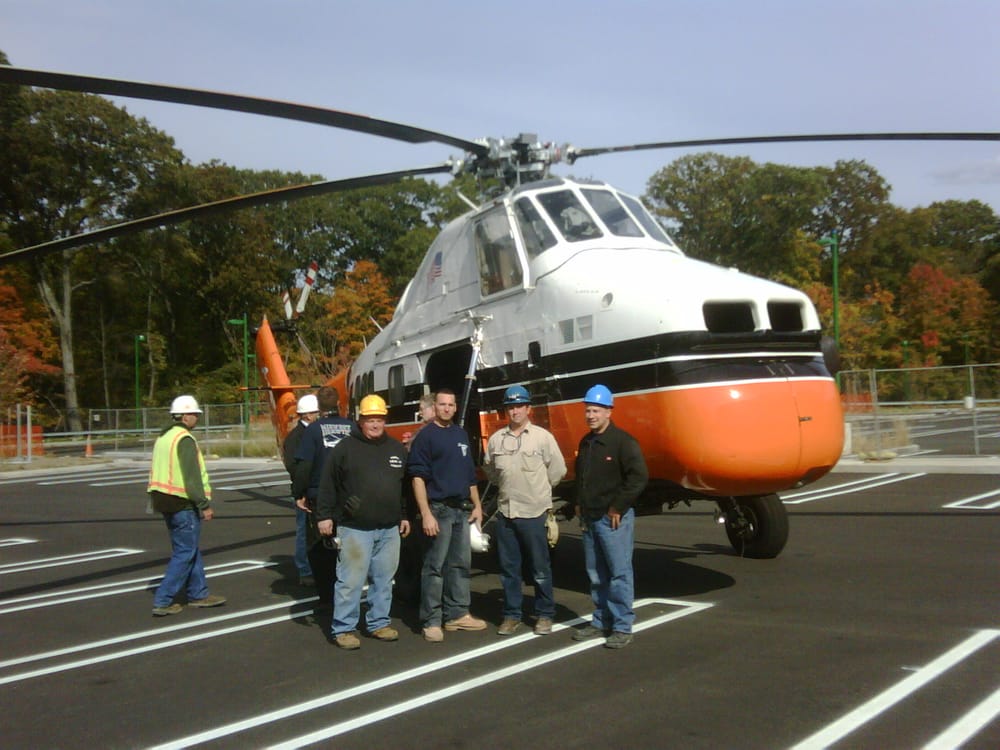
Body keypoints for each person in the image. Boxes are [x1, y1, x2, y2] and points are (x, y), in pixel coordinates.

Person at [316, 394, 411, 649]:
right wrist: (324, 516)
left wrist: (403, 516)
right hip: (355, 528)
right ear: (360, 421)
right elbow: (327, 485)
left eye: (379, 419)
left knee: (384, 580)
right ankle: (344, 628)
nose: (375, 424)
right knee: (351, 581)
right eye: (370, 419)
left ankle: (379, 623)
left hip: (389, 528)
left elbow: (403, 488)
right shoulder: (345, 449)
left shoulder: (396, 450)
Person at [483, 385, 567, 636]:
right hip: (507, 513)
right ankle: (511, 615)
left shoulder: (543, 437)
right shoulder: (497, 439)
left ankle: (544, 615)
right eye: (510, 406)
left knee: (540, 569)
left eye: (519, 406)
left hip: (534, 512)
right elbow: (491, 471)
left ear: (528, 408)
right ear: (505, 410)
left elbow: (558, 470)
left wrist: (539, 492)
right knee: (509, 570)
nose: (515, 410)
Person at [569, 385, 648, 649]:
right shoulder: (587, 442)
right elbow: (581, 477)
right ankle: (600, 620)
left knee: (619, 574)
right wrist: (578, 504)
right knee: (596, 574)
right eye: (588, 410)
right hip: (590, 519)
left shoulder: (623, 442)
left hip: (612, 520)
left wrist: (618, 507)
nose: (590, 415)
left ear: (608, 411)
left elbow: (638, 478)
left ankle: (622, 626)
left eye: (596, 410)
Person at [406, 388, 487, 642]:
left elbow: (469, 476)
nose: (447, 409)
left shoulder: (461, 434)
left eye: (451, 405)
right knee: (434, 566)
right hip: (438, 510)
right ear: (435, 407)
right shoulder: (425, 437)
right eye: (443, 404)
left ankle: (457, 614)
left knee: (460, 565)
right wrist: (426, 513)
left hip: (461, 510)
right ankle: (432, 620)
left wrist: (477, 505)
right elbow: (417, 478)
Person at [147, 395, 226, 616]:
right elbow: (191, 478)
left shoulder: (164, 437)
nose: (196, 418)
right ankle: (163, 599)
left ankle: (199, 593)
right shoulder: (184, 439)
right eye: (194, 414)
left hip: (164, 500)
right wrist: (204, 504)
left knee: (189, 549)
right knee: (185, 552)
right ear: (184, 415)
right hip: (182, 502)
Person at [292, 386, 353, 607]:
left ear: (318, 406)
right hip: (349, 497)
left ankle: (327, 598)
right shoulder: (352, 427)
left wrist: (299, 492)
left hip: (321, 497)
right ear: (339, 403)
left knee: (320, 549)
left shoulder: (314, 430)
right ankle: (349, 593)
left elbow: (304, 466)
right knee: (350, 547)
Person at [283, 393, 320, 586]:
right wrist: (301, 491)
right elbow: (294, 467)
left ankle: (313, 568)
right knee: (304, 531)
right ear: (306, 415)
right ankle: (305, 570)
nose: (317, 415)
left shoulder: (303, 434)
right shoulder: (296, 437)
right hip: (305, 491)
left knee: (313, 530)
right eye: (315, 412)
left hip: (313, 489)